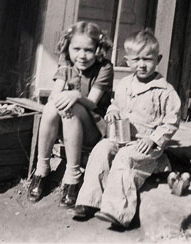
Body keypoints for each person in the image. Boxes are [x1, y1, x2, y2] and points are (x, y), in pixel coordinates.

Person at [72, 28, 181, 229]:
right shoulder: (124, 84)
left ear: (159, 59)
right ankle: (89, 201)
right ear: (127, 61)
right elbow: (116, 103)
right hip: (121, 137)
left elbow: (171, 121)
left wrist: (154, 140)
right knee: (101, 149)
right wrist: (112, 110)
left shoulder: (165, 91)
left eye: (147, 59)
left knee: (124, 159)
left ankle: (118, 211)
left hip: (145, 145)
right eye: (136, 59)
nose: (142, 65)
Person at [28, 21, 113, 207]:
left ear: (98, 49)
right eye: (77, 49)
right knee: (52, 107)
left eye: (88, 50)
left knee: (70, 106)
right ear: (68, 47)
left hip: (93, 128)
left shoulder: (104, 67)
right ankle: (42, 169)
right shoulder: (67, 63)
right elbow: (54, 95)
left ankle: (73, 176)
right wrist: (61, 97)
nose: (82, 55)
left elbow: (91, 102)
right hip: (68, 126)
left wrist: (75, 94)